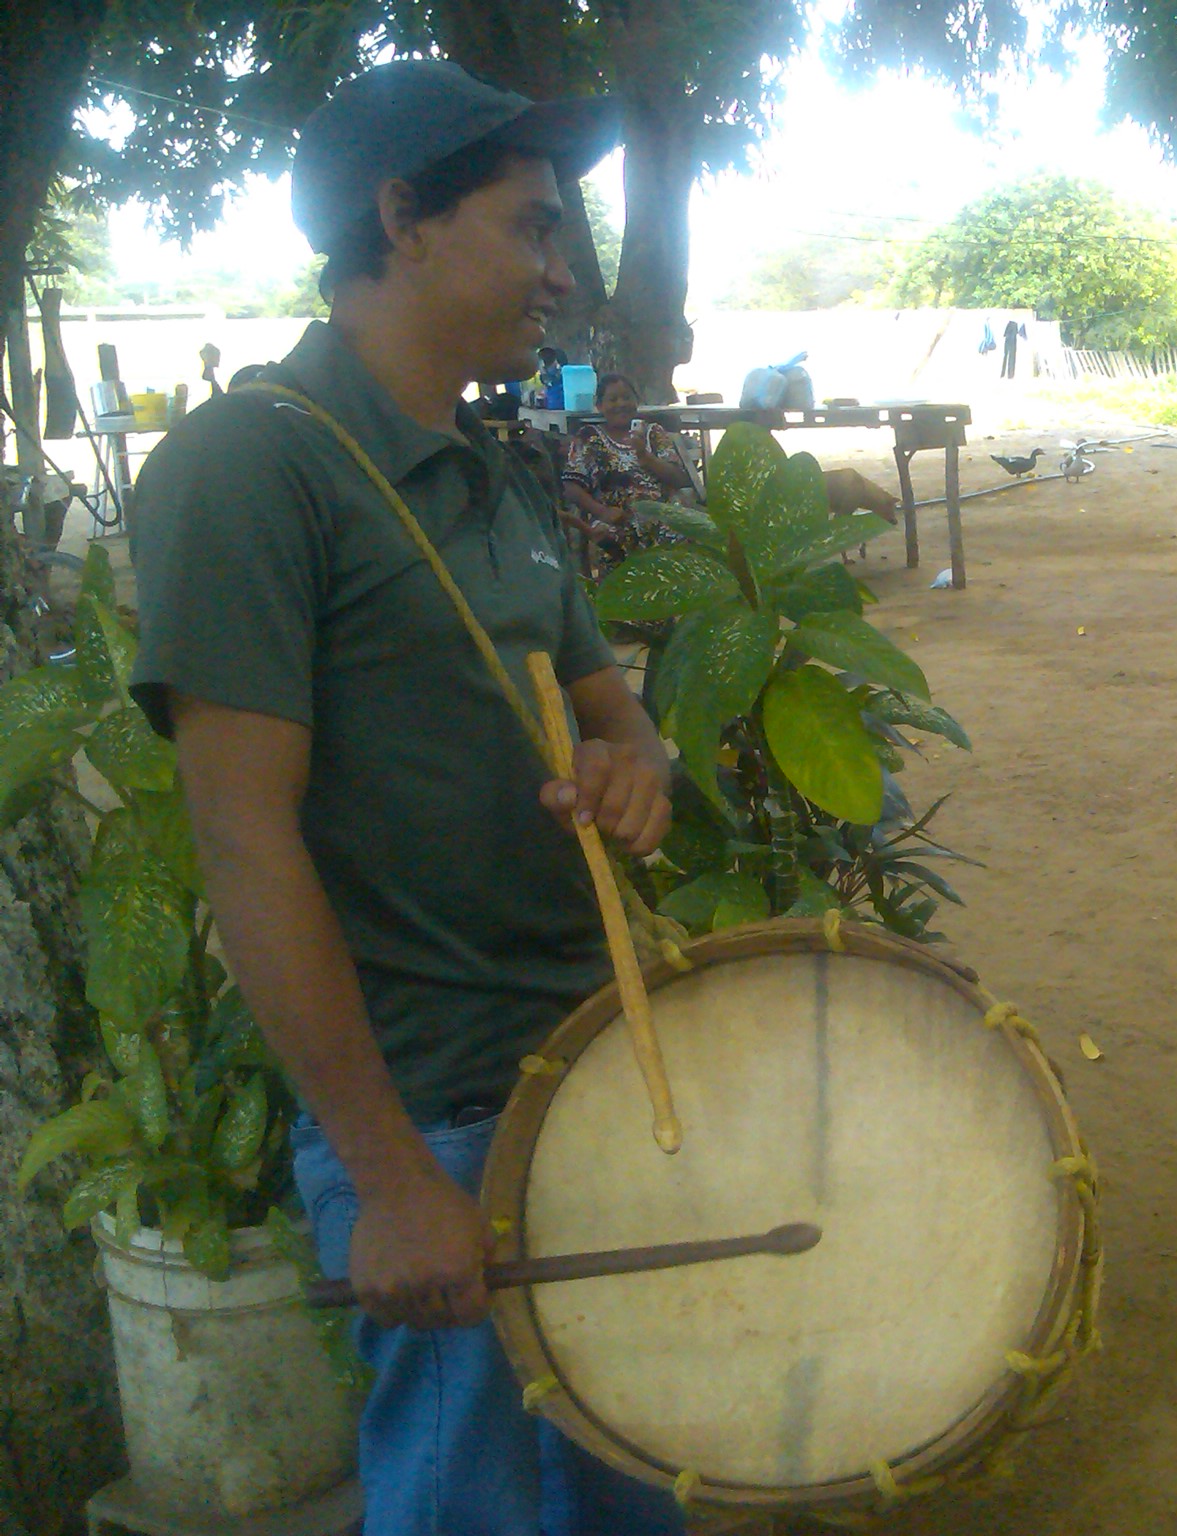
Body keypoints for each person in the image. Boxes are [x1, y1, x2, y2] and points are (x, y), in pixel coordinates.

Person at [128, 60, 684, 1536]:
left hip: (587, 1078)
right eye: (533, 229)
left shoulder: (491, 476)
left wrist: (643, 771)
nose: (563, 273)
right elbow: (242, 838)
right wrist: (385, 1179)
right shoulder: (249, 467)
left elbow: (621, 715)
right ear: (403, 217)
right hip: (430, 1113)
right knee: (467, 1511)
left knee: (634, 1492)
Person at [560, 371, 692, 574]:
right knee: (608, 539)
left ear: (636, 402)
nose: (621, 404)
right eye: (613, 399)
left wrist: (646, 457)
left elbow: (679, 478)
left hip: (662, 513)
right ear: (600, 406)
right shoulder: (589, 437)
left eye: (627, 397)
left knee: (681, 533)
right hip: (616, 518)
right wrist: (602, 512)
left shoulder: (653, 433)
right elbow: (570, 487)